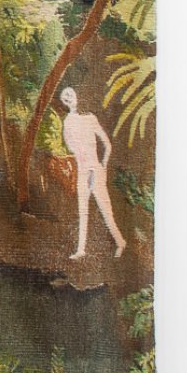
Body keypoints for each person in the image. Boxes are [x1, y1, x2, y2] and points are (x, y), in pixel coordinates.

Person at [58, 87, 127, 259]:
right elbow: (70, 147)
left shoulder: (90, 118)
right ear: (64, 103)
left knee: (106, 211)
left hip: (95, 170)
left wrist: (103, 166)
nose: (69, 99)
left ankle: (120, 242)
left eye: (70, 95)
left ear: (77, 96)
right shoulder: (67, 122)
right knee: (83, 211)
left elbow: (107, 145)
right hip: (83, 171)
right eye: (65, 98)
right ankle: (81, 250)